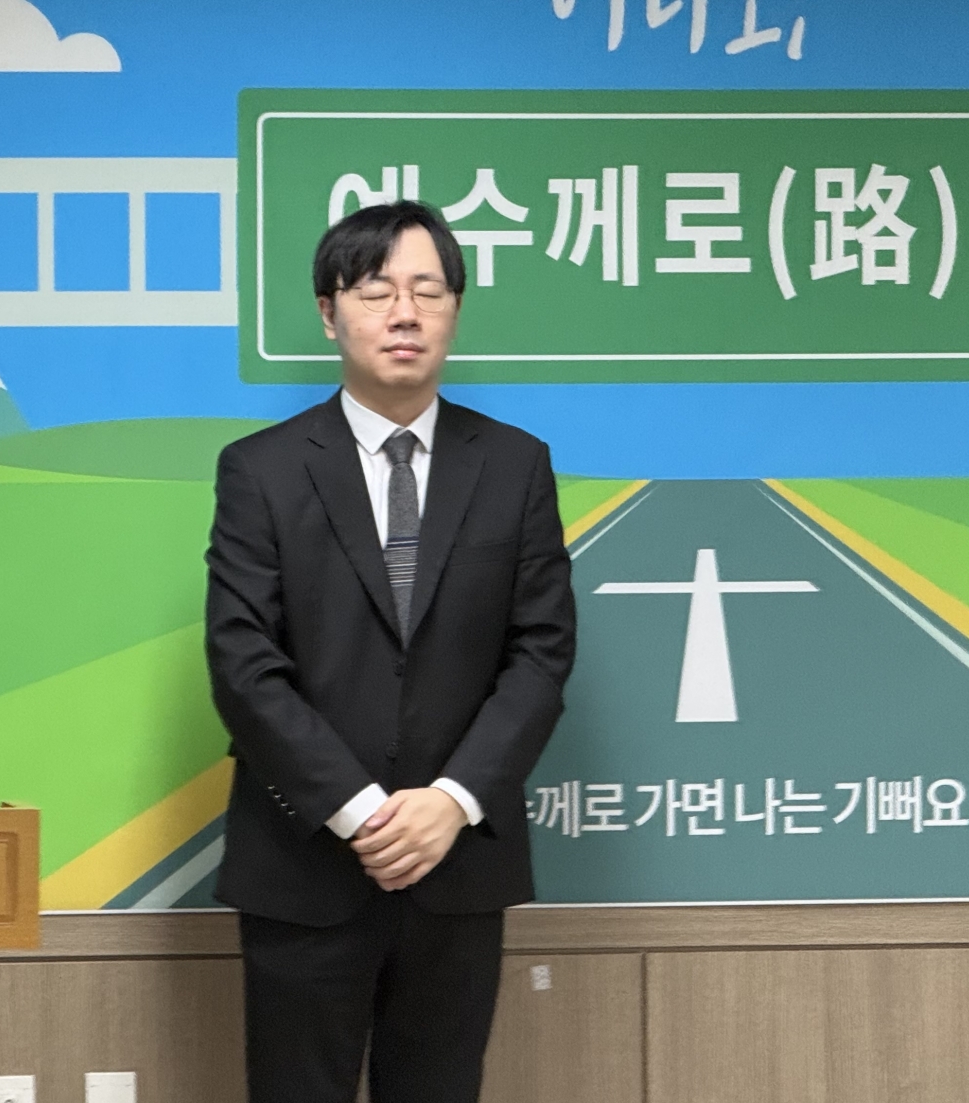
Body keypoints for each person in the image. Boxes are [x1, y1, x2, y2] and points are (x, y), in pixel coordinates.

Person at [205, 202, 576, 1103]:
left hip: (458, 863)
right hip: (305, 862)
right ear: (329, 312)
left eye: (428, 290)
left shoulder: (516, 465)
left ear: (456, 309)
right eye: (376, 291)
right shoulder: (261, 469)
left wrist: (451, 801)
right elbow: (244, 662)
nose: (404, 313)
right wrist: (362, 810)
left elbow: (541, 652)